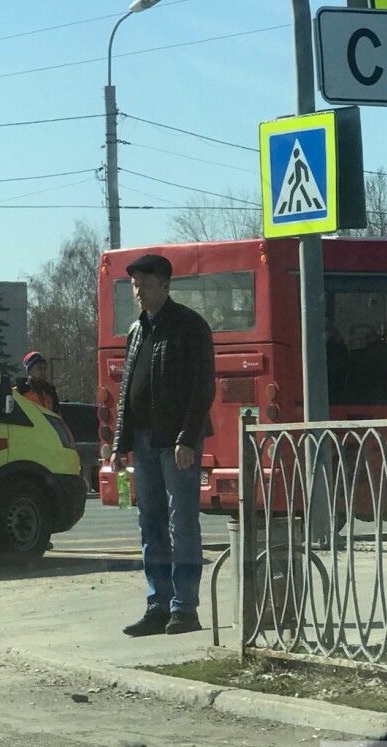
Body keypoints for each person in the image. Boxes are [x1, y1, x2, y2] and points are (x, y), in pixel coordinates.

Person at [111, 254, 214, 636]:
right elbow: (127, 390)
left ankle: (184, 609)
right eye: (134, 285)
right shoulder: (137, 330)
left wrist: (187, 437)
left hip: (176, 444)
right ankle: (157, 605)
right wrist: (119, 444)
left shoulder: (189, 326)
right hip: (143, 442)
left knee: (181, 523)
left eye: (145, 284)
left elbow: (202, 387)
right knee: (150, 523)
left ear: (165, 285)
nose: (138, 292)